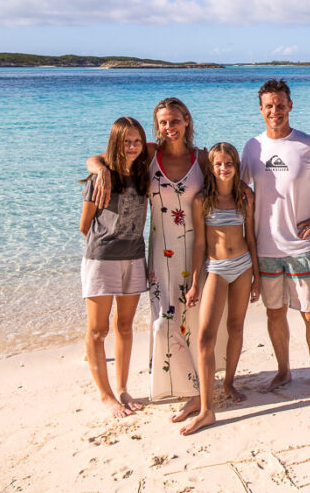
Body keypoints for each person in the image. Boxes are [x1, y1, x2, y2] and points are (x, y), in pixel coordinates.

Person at [88, 97, 207, 421]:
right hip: (159, 253)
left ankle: (201, 390)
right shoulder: (151, 154)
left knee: (196, 321)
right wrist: (99, 170)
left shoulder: (204, 157)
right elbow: (102, 157)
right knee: (164, 320)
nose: (170, 127)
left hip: (196, 251)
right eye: (164, 123)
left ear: (186, 120)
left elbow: (227, 185)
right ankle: (174, 384)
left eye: (175, 121)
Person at [241, 79, 310, 401]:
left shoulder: (309, 145)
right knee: (274, 313)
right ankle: (284, 370)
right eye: (269, 106)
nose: (275, 110)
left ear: (290, 106)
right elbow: (239, 188)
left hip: (303, 247)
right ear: (261, 110)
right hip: (266, 248)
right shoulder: (252, 147)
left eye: (280, 104)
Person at [178, 142, 261, 435]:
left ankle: (228, 383)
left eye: (228, 163)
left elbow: (250, 237)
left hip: (243, 267)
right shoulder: (202, 200)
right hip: (216, 269)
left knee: (236, 327)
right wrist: (193, 284)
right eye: (218, 164)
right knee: (205, 338)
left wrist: (258, 277)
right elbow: (200, 243)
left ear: (236, 166)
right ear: (210, 168)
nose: (223, 169)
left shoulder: (244, 197)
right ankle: (206, 408)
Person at [79, 117, 149, 418]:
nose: (131, 147)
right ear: (115, 143)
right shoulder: (101, 178)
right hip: (102, 258)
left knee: (124, 326)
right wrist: (100, 168)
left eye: (136, 141)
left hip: (134, 257)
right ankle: (106, 396)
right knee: (98, 330)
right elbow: (85, 225)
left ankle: (122, 388)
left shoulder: (145, 174)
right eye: (126, 141)